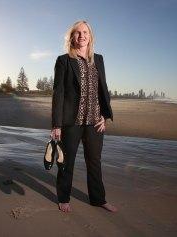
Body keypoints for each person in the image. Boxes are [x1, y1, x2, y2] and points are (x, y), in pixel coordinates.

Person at [50, 20, 118, 213]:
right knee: (66, 161)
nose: (82, 35)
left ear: (90, 36)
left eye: (85, 32)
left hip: (95, 121)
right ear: (72, 36)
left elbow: (102, 89)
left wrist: (104, 115)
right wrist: (56, 124)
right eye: (78, 32)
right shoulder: (64, 60)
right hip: (71, 121)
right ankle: (63, 197)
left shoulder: (99, 59)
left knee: (94, 161)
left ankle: (98, 199)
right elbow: (59, 93)